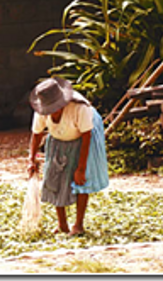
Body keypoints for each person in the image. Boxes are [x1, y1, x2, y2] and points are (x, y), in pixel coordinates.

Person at [27, 77, 109, 236]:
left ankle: (78, 225)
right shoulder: (42, 112)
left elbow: (86, 137)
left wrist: (81, 168)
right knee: (54, 176)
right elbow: (36, 135)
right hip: (58, 138)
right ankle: (62, 224)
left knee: (81, 180)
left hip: (85, 136)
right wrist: (32, 159)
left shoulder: (79, 109)